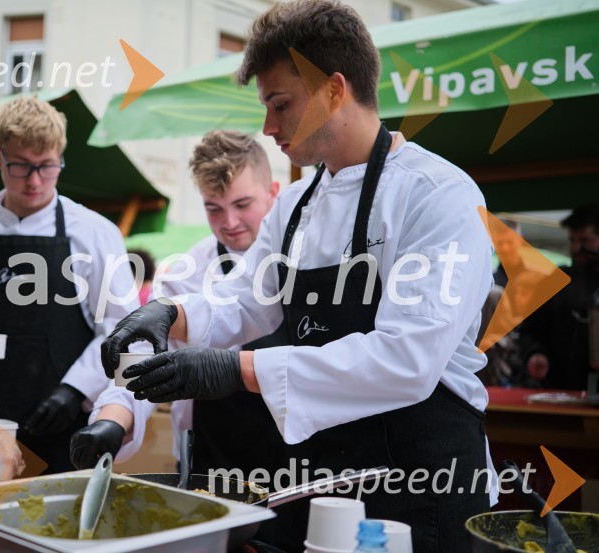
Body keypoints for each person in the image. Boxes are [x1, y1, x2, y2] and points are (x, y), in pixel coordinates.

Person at [101, 3, 494, 552]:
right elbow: (246, 300)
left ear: (334, 89)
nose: (267, 126)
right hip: (324, 477)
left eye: (279, 103)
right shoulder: (296, 206)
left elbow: (408, 360)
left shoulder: (436, 195)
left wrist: (234, 369)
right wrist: (172, 314)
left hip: (420, 480)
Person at [0, 96, 140, 474]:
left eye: (47, 167)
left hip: (66, 421)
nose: (35, 181)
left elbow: (122, 328)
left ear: (61, 158)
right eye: (21, 166)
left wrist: (76, 390)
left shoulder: (96, 233)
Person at [72, 130, 282, 469]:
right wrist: (111, 421)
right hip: (210, 454)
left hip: (298, 453)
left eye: (242, 205)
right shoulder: (186, 273)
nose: (229, 222)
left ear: (273, 193)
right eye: (214, 208)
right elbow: (143, 360)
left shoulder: (306, 260)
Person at [521, 203, 599, 389]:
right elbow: (529, 330)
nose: (576, 248)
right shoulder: (556, 281)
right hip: (558, 390)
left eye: (584, 240)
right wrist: (535, 353)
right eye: (572, 240)